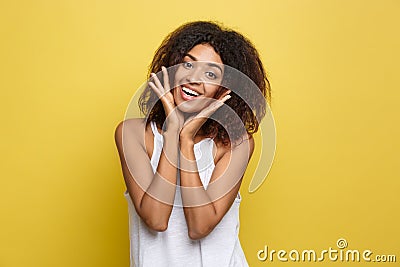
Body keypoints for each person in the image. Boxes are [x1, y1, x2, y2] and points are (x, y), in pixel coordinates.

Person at [114, 20, 271, 267]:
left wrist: (186, 141)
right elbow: (156, 219)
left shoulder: (236, 144)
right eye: (188, 64)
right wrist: (173, 130)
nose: (194, 79)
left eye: (210, 74)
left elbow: (199, 226)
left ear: (224, 90)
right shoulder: (132, 134)